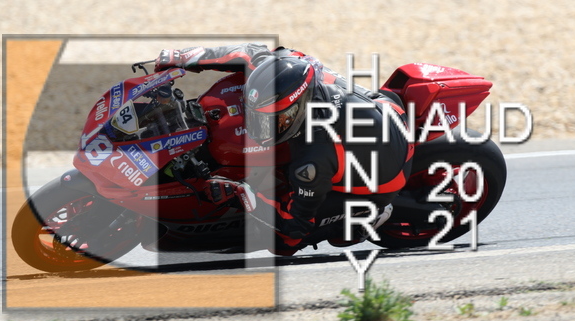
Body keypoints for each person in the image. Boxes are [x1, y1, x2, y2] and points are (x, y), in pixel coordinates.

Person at [154, 44, 413, 255]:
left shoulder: (313, 157)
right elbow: (246, 52)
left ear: (298, 110)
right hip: (382, 107)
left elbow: (293, 229)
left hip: (387, 174)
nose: (260, 127)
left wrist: (242, 194)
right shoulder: (289, 65)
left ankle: (365, 218)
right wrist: (184, 57)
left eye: (272, 120)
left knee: (280, 244)